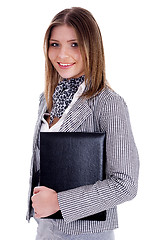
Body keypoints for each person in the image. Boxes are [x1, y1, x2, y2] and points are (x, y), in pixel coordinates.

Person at [26, 7, 139, 240]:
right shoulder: (47, 98)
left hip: (86, 233)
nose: (62, 55)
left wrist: (60, 202)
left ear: (91, 47)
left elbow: (125, 183)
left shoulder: (108, 103)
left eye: (74, 44)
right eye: (55, 44)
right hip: (46, 228)